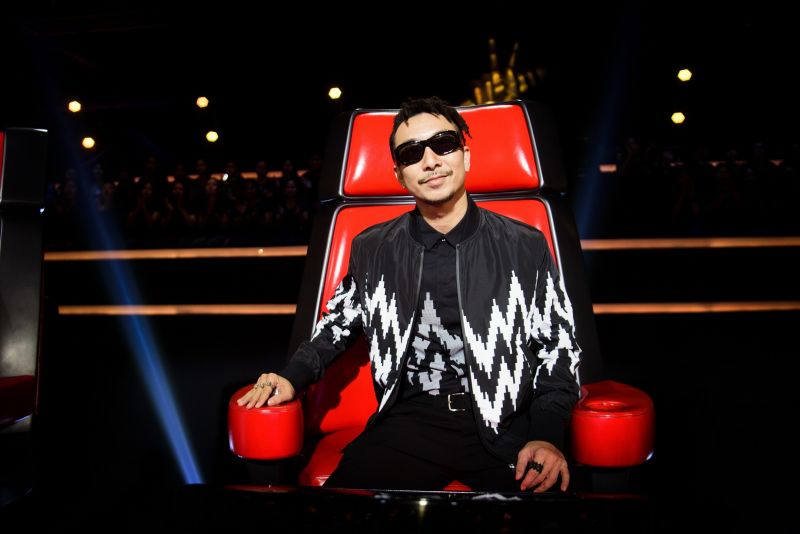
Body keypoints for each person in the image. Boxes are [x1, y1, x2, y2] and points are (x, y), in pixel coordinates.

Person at [237, 96, 581, 492]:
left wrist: (547, 435)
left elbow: (558, 347)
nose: (430, 161)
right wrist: (290, 377)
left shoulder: (524, 245)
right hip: (409, 422)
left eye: (444, 144)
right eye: (412, 153)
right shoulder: (373, 248)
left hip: (505, 425)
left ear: (466, 156)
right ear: (399, 175)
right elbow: (337, 327)